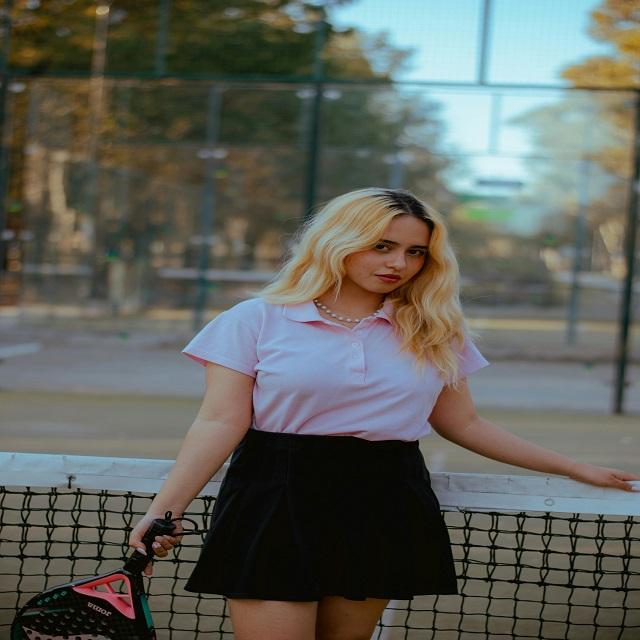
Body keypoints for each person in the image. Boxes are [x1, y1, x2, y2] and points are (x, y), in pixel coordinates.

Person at [129, 187, 639, 640]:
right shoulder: (255, 319)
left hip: (384, 497)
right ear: (338, 241)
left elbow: (464, 423)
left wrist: (574, 467)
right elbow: (220, 421)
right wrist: (163, 511)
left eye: (415, 252)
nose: (399, 262)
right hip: (273, 495)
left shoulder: (434, 329)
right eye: (382, 246)